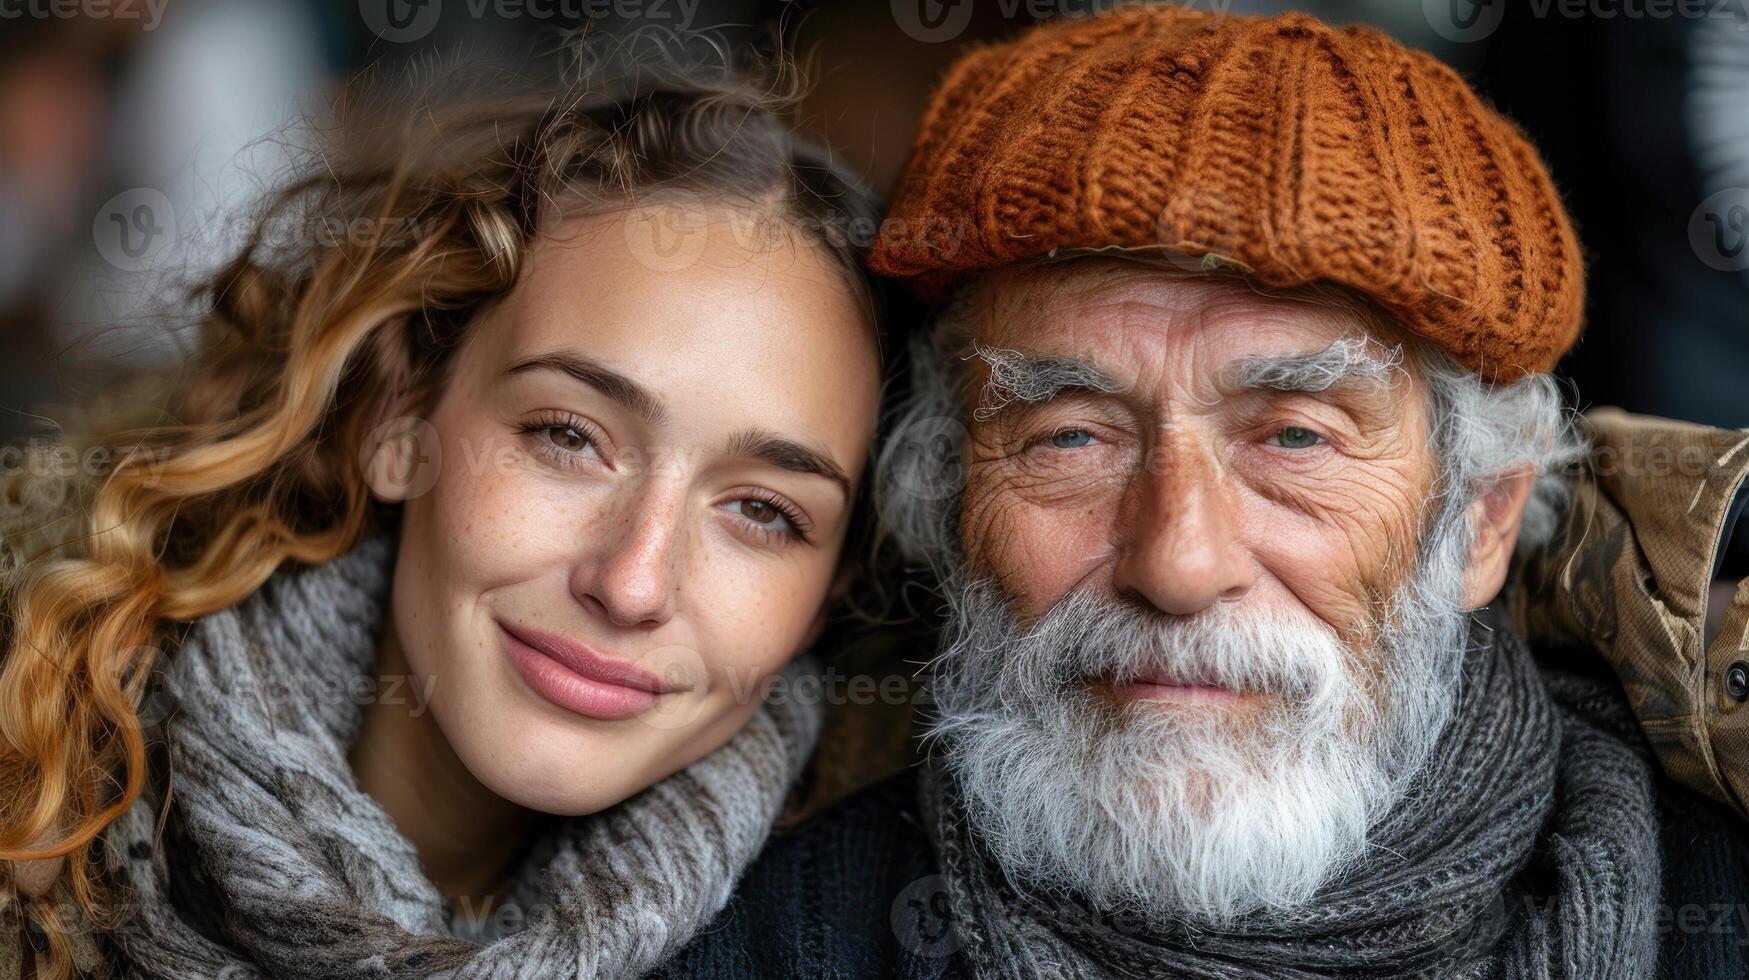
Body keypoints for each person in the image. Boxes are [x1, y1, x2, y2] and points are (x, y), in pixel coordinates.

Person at [659, 8, 1749, 978]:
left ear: (1481, 519)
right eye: (1070, 435)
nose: (1177, 564)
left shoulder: (1718, 903)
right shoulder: (766, 937)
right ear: (949, 502)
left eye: (1294, 436)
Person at [0, 40, 887, 980]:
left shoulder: (846, 939)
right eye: (568, 436)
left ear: (827, 592)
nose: (631, 583)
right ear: (397, 419)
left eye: (760, 510)